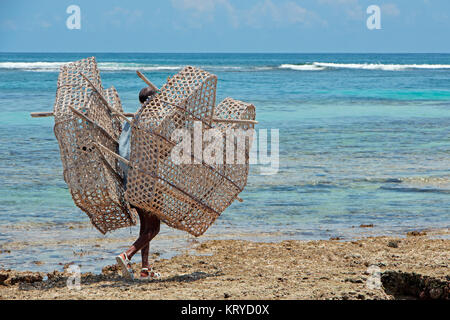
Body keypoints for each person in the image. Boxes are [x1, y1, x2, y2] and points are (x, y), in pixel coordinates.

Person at [116, 86, 161, 280]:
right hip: (144, 182)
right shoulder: (149, 123)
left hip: (130, 183)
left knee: (145, 227)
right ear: (152, 103)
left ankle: (145, 269)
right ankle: (127, 255)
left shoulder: (131, 121)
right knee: (154, 228)